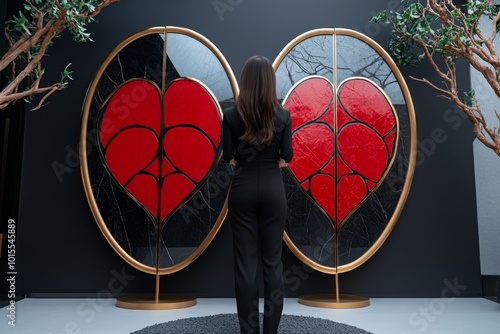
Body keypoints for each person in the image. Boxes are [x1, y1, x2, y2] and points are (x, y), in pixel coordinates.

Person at [223, 55, 293, 334]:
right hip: (273, 191)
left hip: (242, 189)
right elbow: (287, 157)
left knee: (245, 265)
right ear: (270, 82)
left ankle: (248, 332)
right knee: (272, 263)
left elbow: (229, 157)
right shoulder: (283, 116)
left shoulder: (229, 115)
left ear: (245, 81)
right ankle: (271, 331)